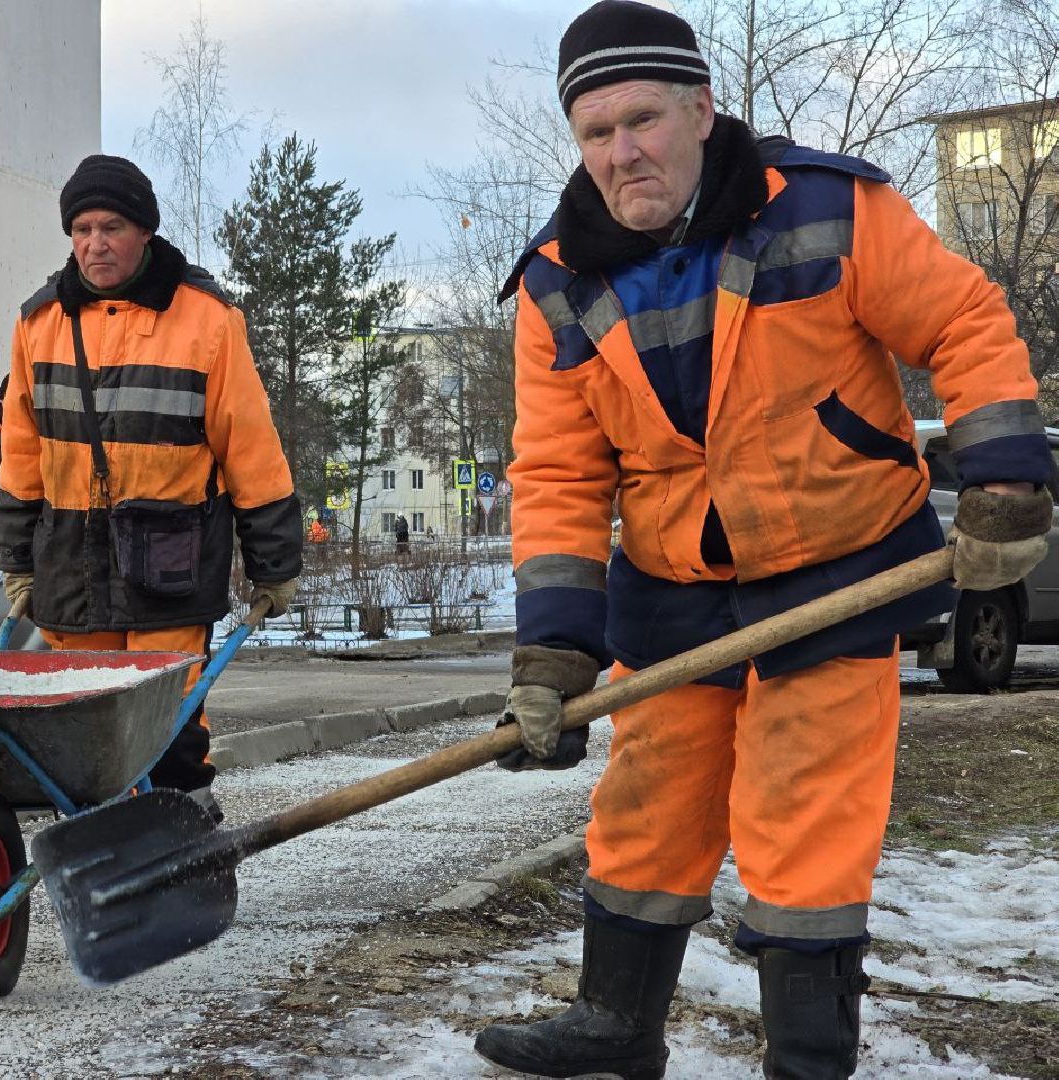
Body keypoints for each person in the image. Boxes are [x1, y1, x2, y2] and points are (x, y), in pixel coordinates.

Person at [475, 4, 1054, 1078]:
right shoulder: (557, 280)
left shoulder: (828, 210)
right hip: (673, 586)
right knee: (645, 813)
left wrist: (1008, 478)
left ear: (700, 109)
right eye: (594, 132)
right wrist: (554, 649)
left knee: (802, 829)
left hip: (836, 567)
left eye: (641, 119)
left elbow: (964, 322)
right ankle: (616, 1028)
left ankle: (805, 1057)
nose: (621, 152)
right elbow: (557, 474)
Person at [0, 154, 303, 821]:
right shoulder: (39, 323)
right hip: (71, 563)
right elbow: (21, 451)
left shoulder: (207, 320)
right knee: (84, 726)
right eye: (81, 229)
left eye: (110, 227)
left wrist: (275, 564)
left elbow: (249, 445)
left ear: (144, 232)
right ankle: (102, 846)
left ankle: (185, 826)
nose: (95, 243)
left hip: (167, 557)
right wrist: (17, 558)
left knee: (169, 717)